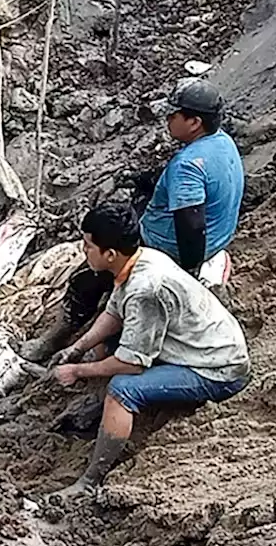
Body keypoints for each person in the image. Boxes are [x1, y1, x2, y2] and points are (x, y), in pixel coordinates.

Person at [21, 77, 245, 362]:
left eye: (173, 115)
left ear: (194, 122)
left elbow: (191, 225)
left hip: (170, 247)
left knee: (85, 280)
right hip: (216, 237)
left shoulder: (188, 167)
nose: (167, 119)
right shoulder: (221, 143)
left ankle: (54, 339)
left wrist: (187, 270)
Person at [48, 203, 249, 501]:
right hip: (202, 342)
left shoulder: (146, 290)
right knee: (107, 347)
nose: (83, 250)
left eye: (88, 245)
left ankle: (91, 479)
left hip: (218, 368)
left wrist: (78, 371)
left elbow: (132, 365)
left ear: (110, 254)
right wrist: (77, 349)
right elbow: (113, 313)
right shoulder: (142, 258)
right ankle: (99, 409)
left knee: (123, 389)